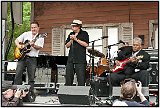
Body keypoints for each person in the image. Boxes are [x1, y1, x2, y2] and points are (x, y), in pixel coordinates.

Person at [14, 21, 44, 101]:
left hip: (32, 58)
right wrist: (19, 46)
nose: (33, 29)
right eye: (32, 27)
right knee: (18, 74)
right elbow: (16, 40)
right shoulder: (26, 34)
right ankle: (16, 93)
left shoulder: (41, 37)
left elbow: (39, 47)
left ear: (38, 28)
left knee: (31, 77)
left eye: (34, 27)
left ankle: (30, 95)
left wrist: (33, 45)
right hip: (22, 57)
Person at [65, 19, 89, 86]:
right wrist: (71, 40)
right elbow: (67, 45)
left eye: (74, 26)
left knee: (81, 79)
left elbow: (86, 44)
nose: (72, 27)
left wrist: (76, 39)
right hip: (71, 59)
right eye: (72, 26)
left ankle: (81, 93)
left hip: (80, 60)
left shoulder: (84, 33)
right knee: (68, 78)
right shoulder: (71, 34)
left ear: (78, 26)